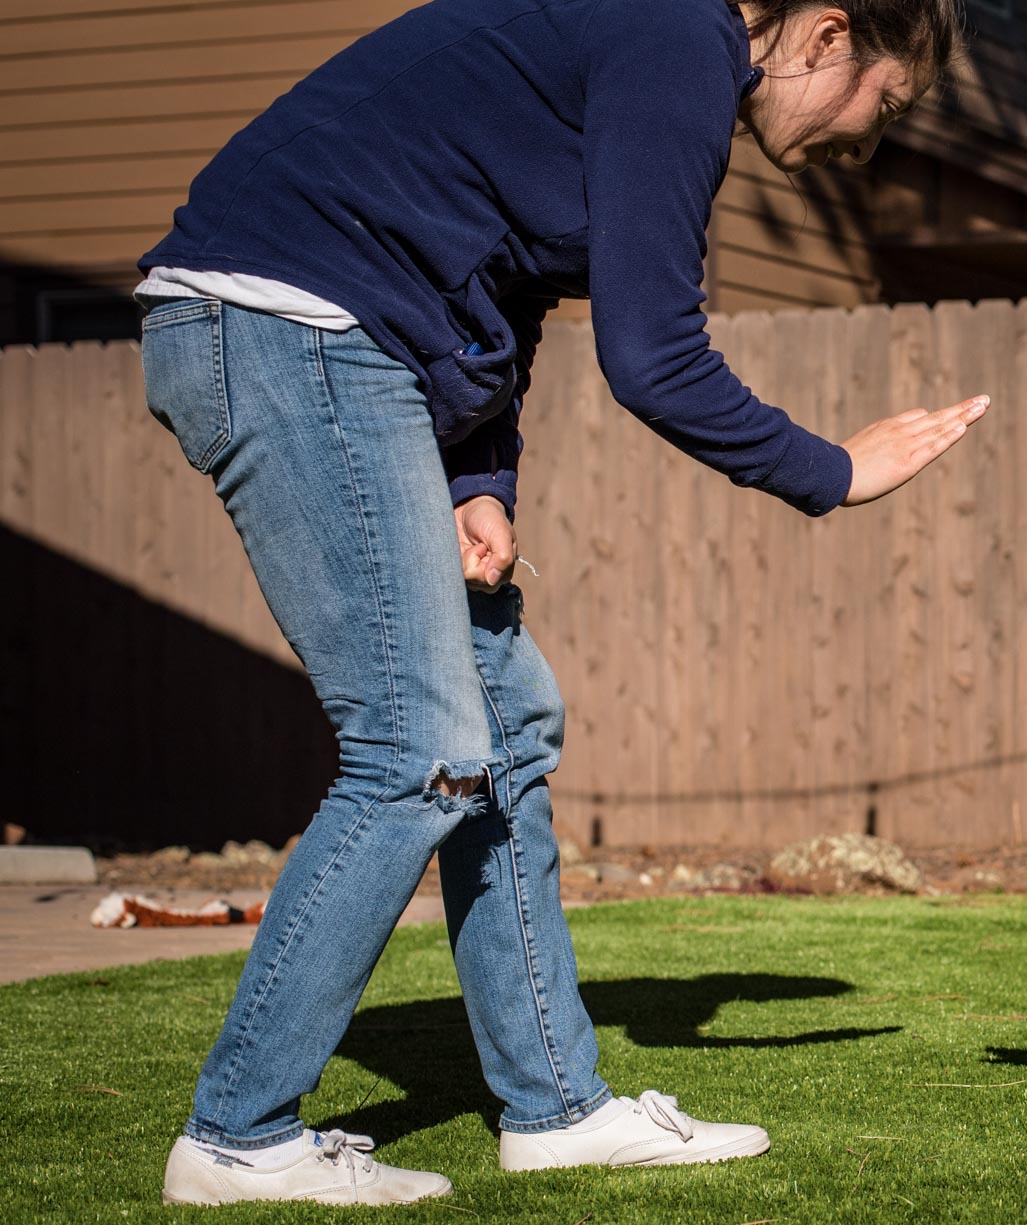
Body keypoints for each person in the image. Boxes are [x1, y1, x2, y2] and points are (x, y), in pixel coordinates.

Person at [135, 0, 980, 1206]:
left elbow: (509, 274)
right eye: (883, 106)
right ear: (830, 32)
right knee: (417, 747)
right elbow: (654, 355)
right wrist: (834, 471)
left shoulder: (658, 50)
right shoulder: (678, 34)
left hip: (331, 337)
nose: (868, 143)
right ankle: (237, 1135)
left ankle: (556, 1108)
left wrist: (480, 475)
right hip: (292, 325)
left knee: (507, 725)